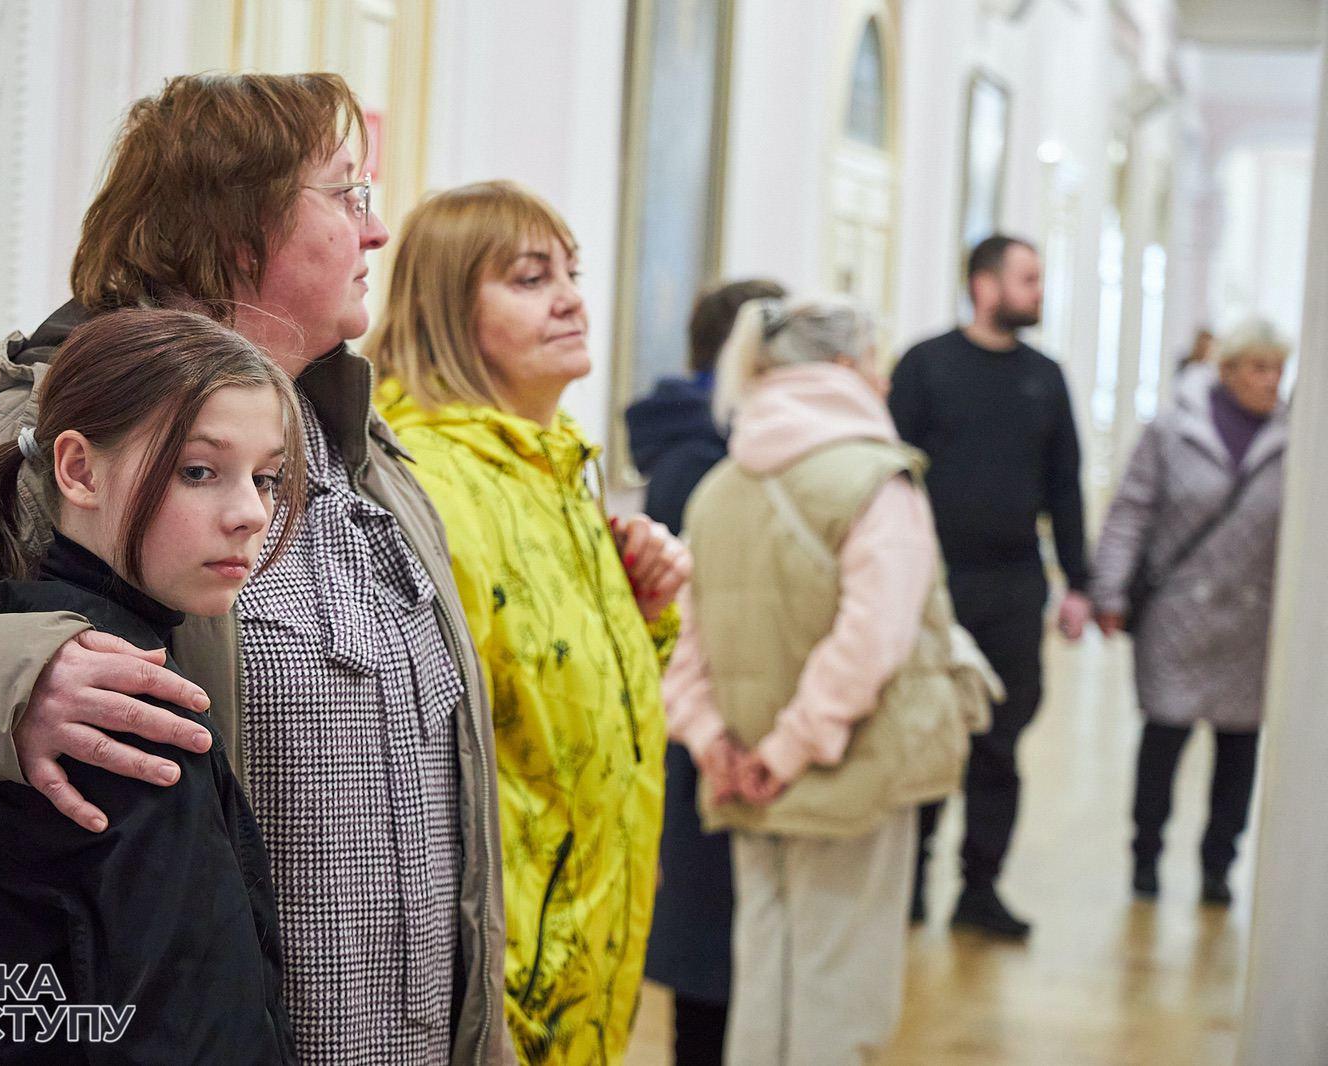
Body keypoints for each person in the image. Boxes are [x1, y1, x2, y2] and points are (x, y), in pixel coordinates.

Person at [0, 73, 512, 1066]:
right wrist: (11, 679)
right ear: (237, 230)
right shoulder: (48, 436)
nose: (377, 234)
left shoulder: (364, 454)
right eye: (346, 194)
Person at [0, 308, 305, 1062]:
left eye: (267, 477)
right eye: (200, 471)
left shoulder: (10, 652)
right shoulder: (111, 701)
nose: (252, 514)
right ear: (80, 470)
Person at [365, 180, 689, 1064]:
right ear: (445, 306)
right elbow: (410, 759)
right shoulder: (425, 480)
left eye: (571, 272)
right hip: (502, 972)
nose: (571, 298)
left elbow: (569, 708)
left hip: (586, 939)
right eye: (529, 277)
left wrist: (648, 614)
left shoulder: (554, 466)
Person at [666, 296, 993, 1066]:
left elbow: (684, 646)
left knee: (765, 983)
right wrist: (790, 750)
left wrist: (717, 745)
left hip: (741, 776)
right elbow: (872, 643)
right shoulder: (877, 483)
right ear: (848, 368)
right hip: (848, 773)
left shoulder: (720, 487)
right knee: (838, 996)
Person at [888, 234, 1091, 940]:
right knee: (923, 729)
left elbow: (1064, 485)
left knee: (1001, 742)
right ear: (984, 284)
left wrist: (1078, 583)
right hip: (932, 586)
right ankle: (907, 883)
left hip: (1013, 586)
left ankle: (981, 887)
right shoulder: (925, 365)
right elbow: (891, 472)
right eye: (1027, 278)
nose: (1038, 291)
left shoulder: (1045, 376)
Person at [623, 277, 785, 1066]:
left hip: (719, 711)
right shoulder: (702, 459)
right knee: (710, 956)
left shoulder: (709, 446)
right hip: (706, 716)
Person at [1091, 318, 1290, 905]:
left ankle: (1217, 867)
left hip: (1252, 625)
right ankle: (1145, 858)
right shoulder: (1175, 429)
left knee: (1237, 751)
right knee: (1164, 739)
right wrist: (1110, 590)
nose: (1271, 381)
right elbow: (1131, 509)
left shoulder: (1294, 438)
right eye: (1259, 368)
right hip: (1177, 616)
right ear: (1226, 372)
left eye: (1279, 369)